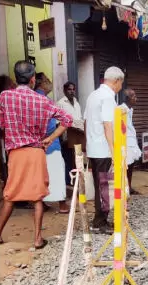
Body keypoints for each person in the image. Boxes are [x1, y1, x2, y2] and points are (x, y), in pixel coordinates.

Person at [0, 60, 73, 249]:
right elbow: (67, 119)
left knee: (10, 195)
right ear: (33, 79)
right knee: (37, 196)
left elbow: (0, 123)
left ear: (16, 77)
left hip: (16, 153)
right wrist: (49, 138)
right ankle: (38, 238)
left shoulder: (5, 96)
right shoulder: (43, 100)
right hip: (36, 152)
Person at [84, 66, 124, 233]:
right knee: (104, 186)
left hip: (94, 147)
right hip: (104, 149)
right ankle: (100, 222)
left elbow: (86, 122)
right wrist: (114, 151)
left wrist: (87, 144)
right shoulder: (108, 97)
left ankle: (99, 219)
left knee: (99, 185)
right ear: (117, 81)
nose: (120, 86)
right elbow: (108, 125)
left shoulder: (93, 95)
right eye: (121, 83)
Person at [57, 81, 85, 212]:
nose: (72, 91)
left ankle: (77, 189)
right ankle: (69, 188)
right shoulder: (60, 103)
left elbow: (79, 118)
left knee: (77, 162)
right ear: (64, 90)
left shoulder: (77, 103)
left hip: (78, 136)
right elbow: (59, 122)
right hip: (67, 137)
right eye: (69, 89)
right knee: (68, 163)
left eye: (73, 89)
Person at [119, 88, 142, 195]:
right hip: (124, 142)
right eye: (134, 96)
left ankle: (128, 186)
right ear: (128, 98)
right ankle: (124, 189)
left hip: (131, 141)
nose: (136, 99)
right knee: (125, 166)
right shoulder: (121, 109)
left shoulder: (130, 110)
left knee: (131, 165)